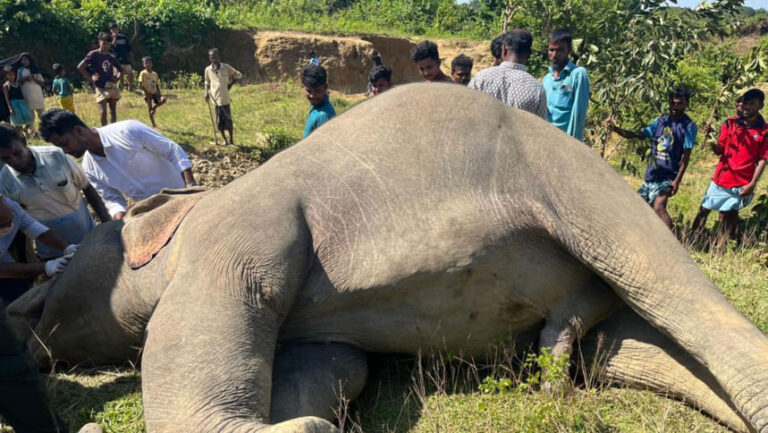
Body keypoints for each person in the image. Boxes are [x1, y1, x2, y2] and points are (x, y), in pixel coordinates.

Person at [39, 109, 197, 221]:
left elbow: (172, 150)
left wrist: (191, 187)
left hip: (182, 196)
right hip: (151, 213)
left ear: (78, 131)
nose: (65, 151)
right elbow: (112, 199)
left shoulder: (128, 130)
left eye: (65, 144)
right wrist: (118, 221)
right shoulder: (89, 167)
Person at [0, 124, 109, 259]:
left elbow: (87, 188)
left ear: (23, 142)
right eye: (6, 158)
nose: (14, 160)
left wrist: (108, 224)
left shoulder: (56, 156)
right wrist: (25, 260)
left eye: (17, 153)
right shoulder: (4, 182)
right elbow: (18, 224)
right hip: (54, 255)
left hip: (91, 240)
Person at [609, 85, 697, 229]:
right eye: (672, 103)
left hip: (668, 177)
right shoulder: (661, 121)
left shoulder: (689, 126)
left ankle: (670, 242)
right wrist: (616, 129)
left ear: (686, 103)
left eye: (679, 103)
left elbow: (685, 157)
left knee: (659, 207)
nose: (675, 107)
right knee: (636, 206)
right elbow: (639, 135)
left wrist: (676, 181)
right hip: (652, 175)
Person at [692, 88, 768, 243]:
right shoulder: (730, 123)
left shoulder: (765, 131)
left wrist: (752, 184)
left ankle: (720, 248)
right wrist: (711, 138)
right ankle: (692, 240)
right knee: (704, 210)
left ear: (761, 106)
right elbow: (719, 150)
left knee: (730, 214)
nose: (747, 107)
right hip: (722, 178)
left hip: (742, 182)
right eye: (745, 103)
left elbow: (762, 159)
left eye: (752, 104)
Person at [0, 196, 74, 303]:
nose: (9, 227)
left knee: (21, 295)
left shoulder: (12, 207)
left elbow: (39, 231)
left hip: (4, 259)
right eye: (2, 225)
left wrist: (67, 247)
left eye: (10, 221)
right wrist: (45, 266)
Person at [468, 30, 548, 119]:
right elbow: (541, 128)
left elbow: (466, 112)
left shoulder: (481, 78)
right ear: (528, 55)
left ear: (504, 50)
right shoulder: (537, 89)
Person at [542, 29, 590, 141]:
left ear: (568, 50)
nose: (554, 55)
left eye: (560, 50)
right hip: (546, 140)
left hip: (565, 142)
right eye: (551, 50)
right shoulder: (546, 79)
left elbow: (578, 114)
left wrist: (572, 146)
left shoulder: (577, 75)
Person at [78, 32, 122, 126]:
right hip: (100, 87)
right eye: (104, 44)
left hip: (111, 86)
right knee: (103, 112)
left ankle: (113, 132)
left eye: (108, 45)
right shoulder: (93, 54)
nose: (106, 46)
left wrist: (117, 78)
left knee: (113, 111)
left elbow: (120, 69)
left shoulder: (111, 57)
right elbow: (80, 67)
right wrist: (90, 78)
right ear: (99, 42)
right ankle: (104, 133)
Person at [204, 48, 243, 145]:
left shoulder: (226, 67)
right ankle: (224, 140)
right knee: (219, 121)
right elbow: (206, 82)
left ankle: (231, 140)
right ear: (210, 58)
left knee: (228, 120)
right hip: (215, 99)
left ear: (218, 56)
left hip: (225, 99)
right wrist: (206, 93)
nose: (214, 59)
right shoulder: (208, 70)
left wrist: (230, 84)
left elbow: (238, 75)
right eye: (212, 57)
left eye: (216, 56)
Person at [301, 64, 336, 139]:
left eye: (317, 91)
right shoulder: (317, 108)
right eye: (309, 91)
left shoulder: (322, 116)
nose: (312, 96)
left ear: (325, 87)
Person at [16, 53, 45, 133]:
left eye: (25, 59)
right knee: (30, 117)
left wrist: (34, 79)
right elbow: (18, 83)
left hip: (37, 95)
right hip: (27, 96)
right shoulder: (20, 70)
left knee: (42, 115)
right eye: (22, 60)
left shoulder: (35, 69)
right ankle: (32, 133)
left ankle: (45, 130)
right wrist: (25, 79)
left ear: (29, 60)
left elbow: (42, 83)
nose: (24, 61)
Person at [3, 67, 33, 136]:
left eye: (12, 75)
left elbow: (22, 94)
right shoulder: (6, 85)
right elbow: (6, 98)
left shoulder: (18, 84)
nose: (11, 76)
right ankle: (20, 136)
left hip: (22, 103)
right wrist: (10, 108)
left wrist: (26, 102)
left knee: (29, 118)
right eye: (9, 75)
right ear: (7, 76)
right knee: (18, 121)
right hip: (14, 104)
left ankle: (25, 129)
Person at [139, 56, 166, 128]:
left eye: (149, 62)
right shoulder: (143, 73)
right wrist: (146, 93)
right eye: (146, 63)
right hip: (147, 94)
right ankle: (154, 124)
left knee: (163, 99)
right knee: (150, 110)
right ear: (143, 65)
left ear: (152, 64)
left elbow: (157, 85)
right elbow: (140, 85)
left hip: (154, 93)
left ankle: (155, 107)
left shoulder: (155, 74)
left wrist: (159, 94)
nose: (148, 64)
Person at [110, 22, 134, 92]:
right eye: (113, 30)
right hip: (116, 59)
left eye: (116, 29)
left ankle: (130, 87)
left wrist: (132, 58)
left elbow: (129, 49)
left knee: (130, 73)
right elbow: (113, 46)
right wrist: (114, 37)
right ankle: (122, 87)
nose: (115, 31)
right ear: (111, 31)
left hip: (125, 58)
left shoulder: (124, 37)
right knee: (120, 74)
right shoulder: (110, 38)